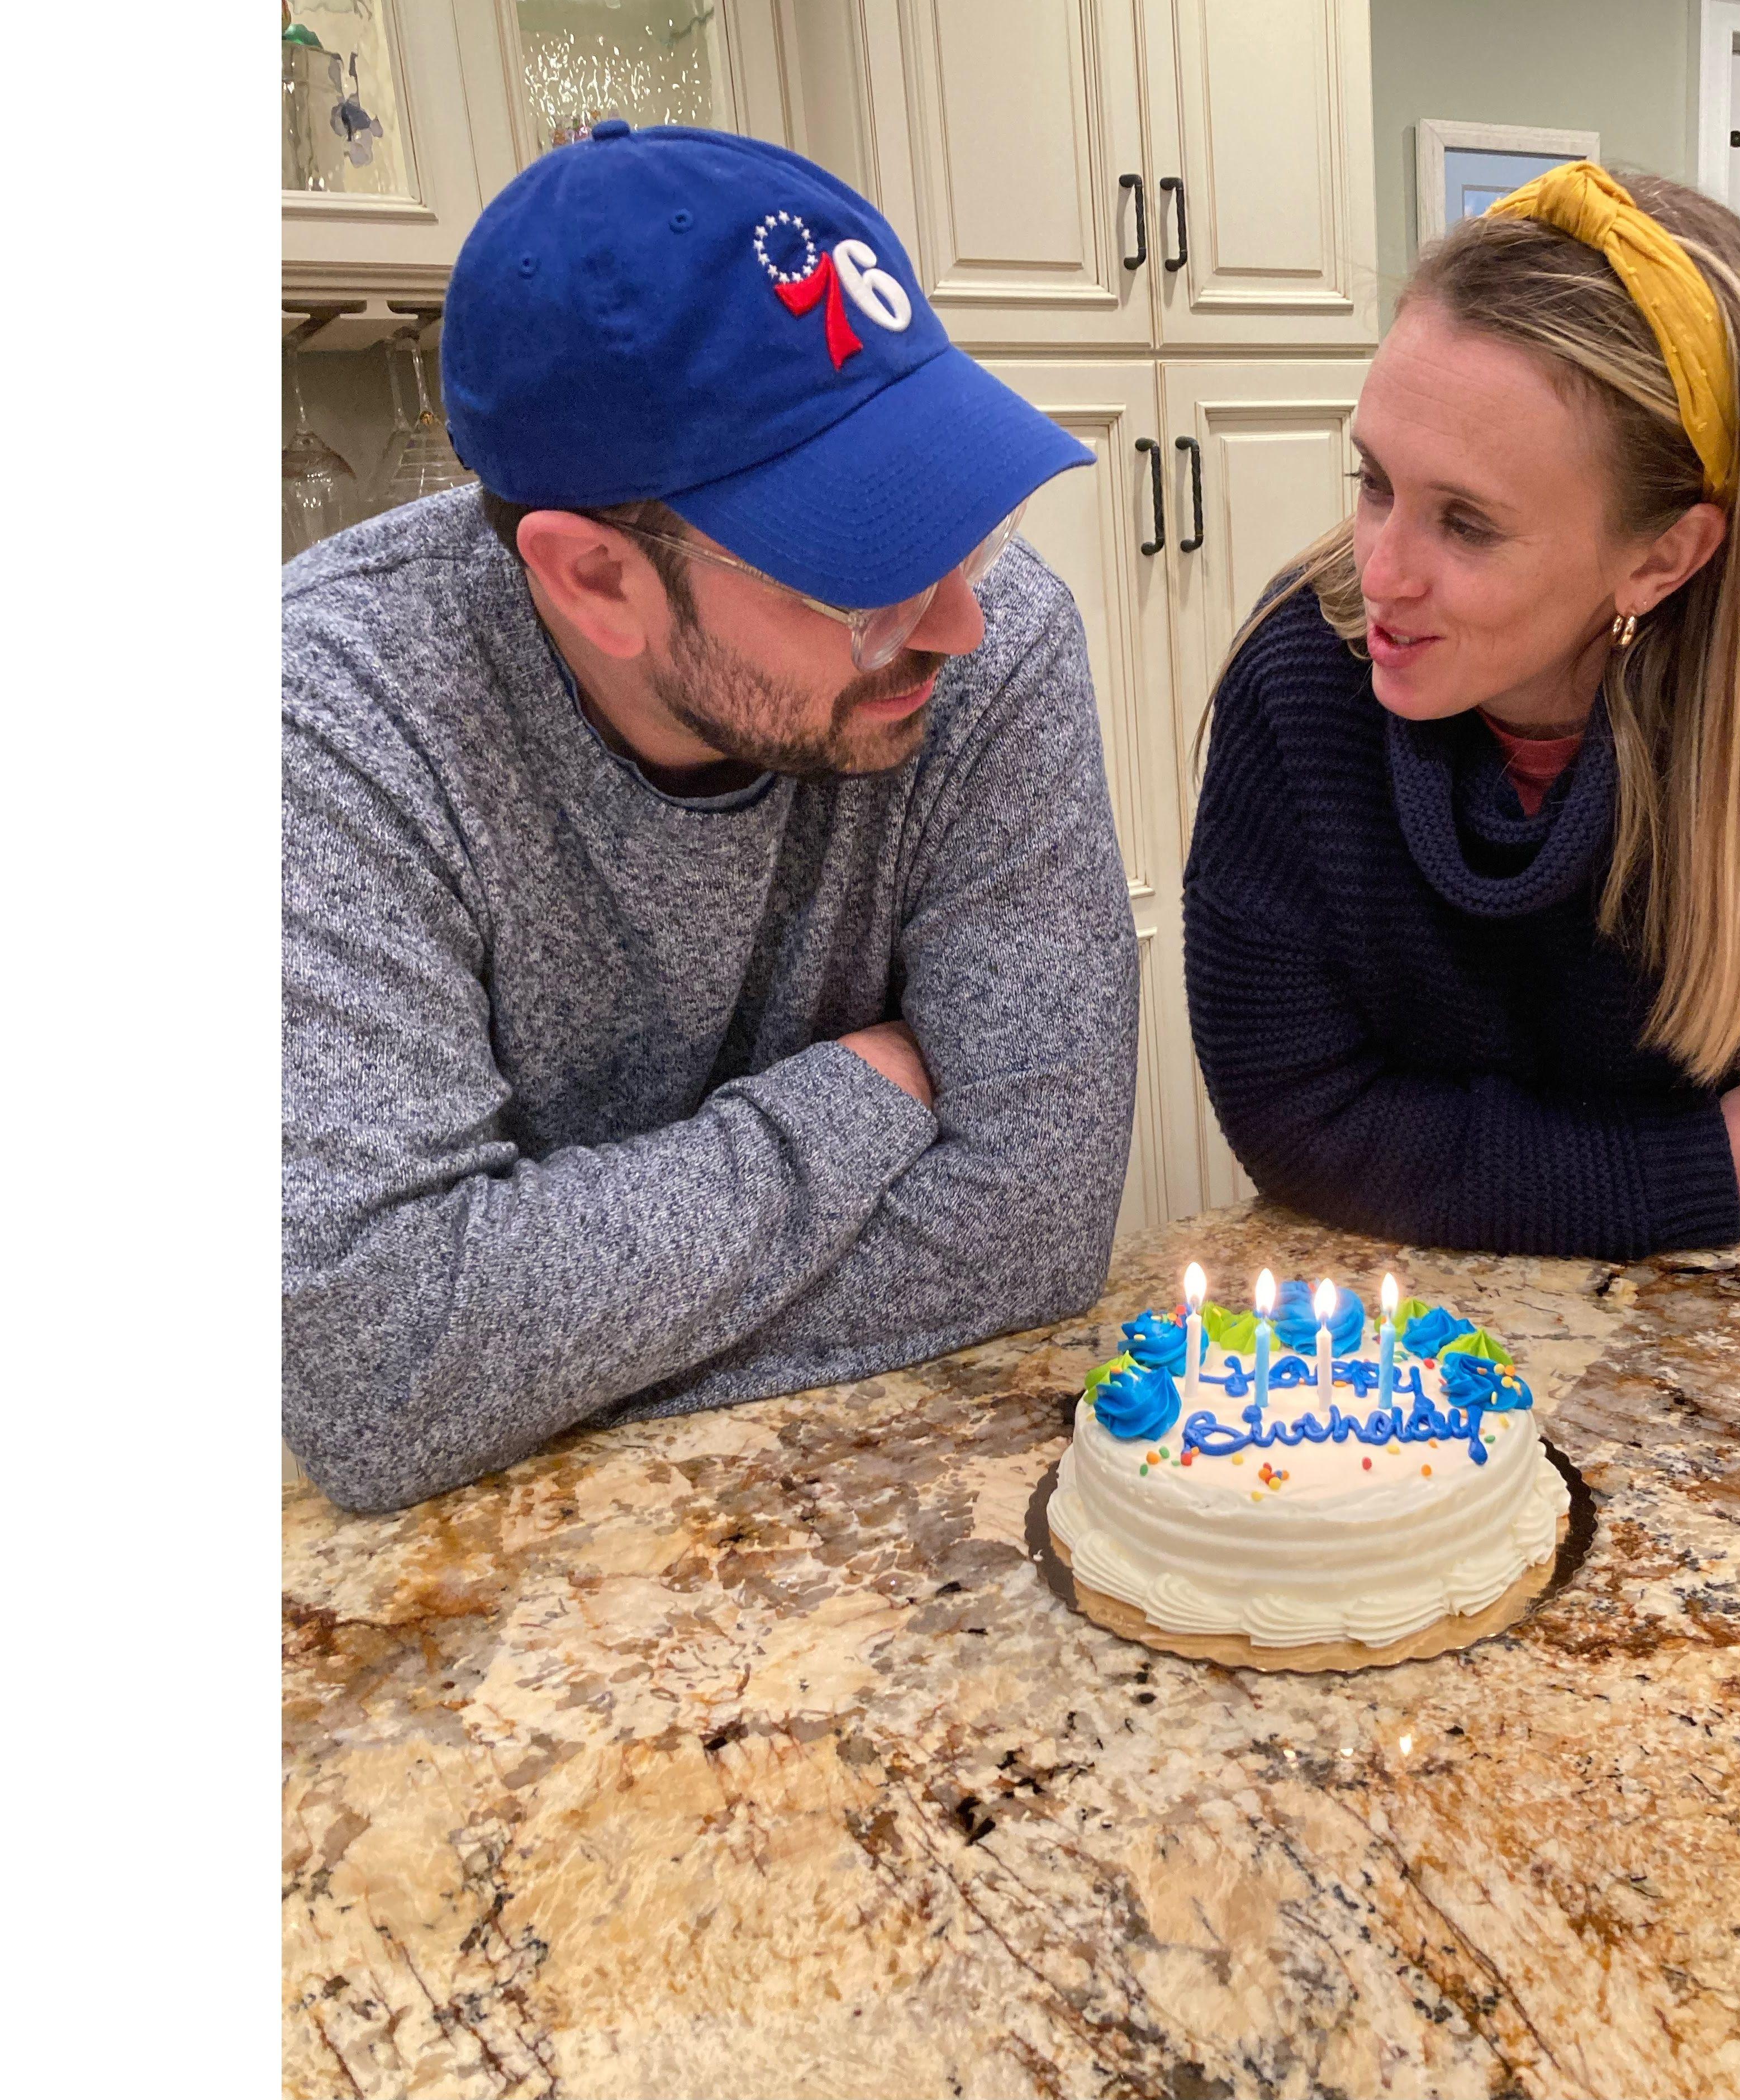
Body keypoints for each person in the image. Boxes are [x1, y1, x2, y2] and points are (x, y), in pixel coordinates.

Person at [284, 125, 1138, 1511]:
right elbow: (379, 1362)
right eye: (863, 570)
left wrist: (530, 1364)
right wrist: (855, 1102)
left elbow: (1033, 1229)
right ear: (594, 580)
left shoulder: (996, 645)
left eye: (958, 520)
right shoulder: (332, 716)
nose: (962, 620)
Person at [1183, 161, 1740, 1259]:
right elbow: (1299, 1115)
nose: (1381, 574)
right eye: (1375, 482)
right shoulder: (1301, 669)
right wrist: (1707, 1160)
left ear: (1662, 557)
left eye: (1467, 524)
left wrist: (1456, 1139)